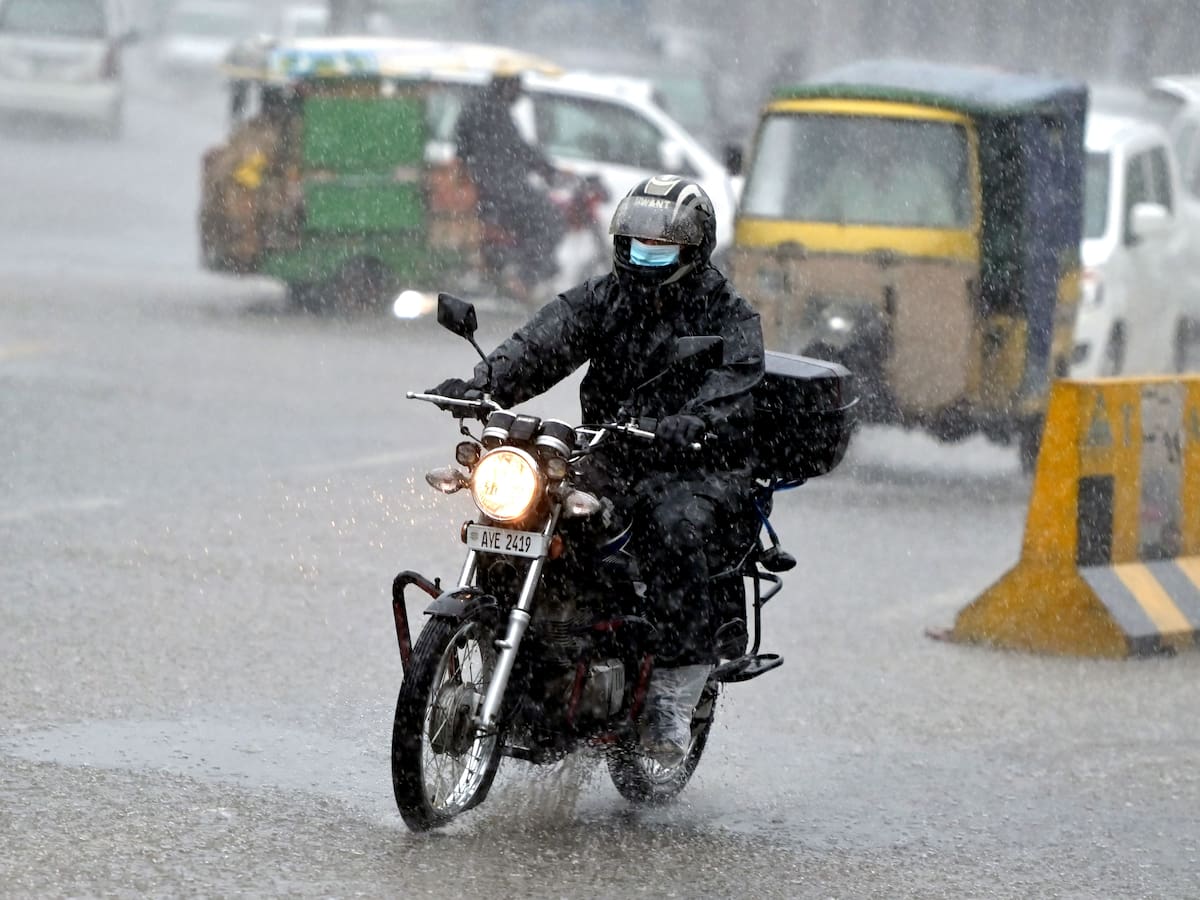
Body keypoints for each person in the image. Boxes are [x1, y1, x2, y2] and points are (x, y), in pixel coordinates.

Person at [428, 174, 765, 767]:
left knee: (672, 528)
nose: (643, 258)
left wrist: (696, 420)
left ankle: (669, 700)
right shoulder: (605, 297)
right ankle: (538, 645)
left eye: (658, 249)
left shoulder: (728, 314)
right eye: (633, 246)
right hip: (611, 449)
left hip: (701, 464)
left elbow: (735, 387)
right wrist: (483, 384)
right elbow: (543, 343)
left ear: (693, 251)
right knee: (537, 510)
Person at [455, 71, 564, 301]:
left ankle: (515, 270)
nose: (518, 96)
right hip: (504, 189)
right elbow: (518, 149)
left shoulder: (474, 107)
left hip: (486, 188)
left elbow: (461, 148)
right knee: (551, 220)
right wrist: (548, 170)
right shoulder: (495, 112)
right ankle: (524, 278)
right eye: (517, 89)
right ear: (508, 87)